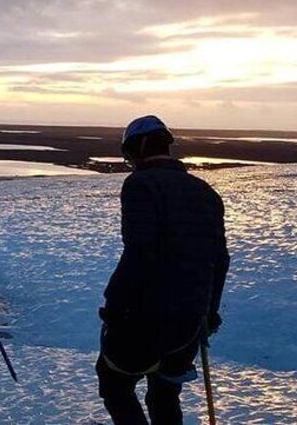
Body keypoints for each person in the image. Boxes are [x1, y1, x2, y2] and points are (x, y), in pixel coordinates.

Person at [96, 115, 230, 424]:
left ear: (138, 148)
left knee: (113, 383)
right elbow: (220, 259)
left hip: (146, 316)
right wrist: (209, 312)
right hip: (189, 321)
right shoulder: (206, 192)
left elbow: (140, 252)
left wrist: (115, 305)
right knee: (165, 393)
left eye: (129, 154)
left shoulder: (141, 185)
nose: (129, 161)